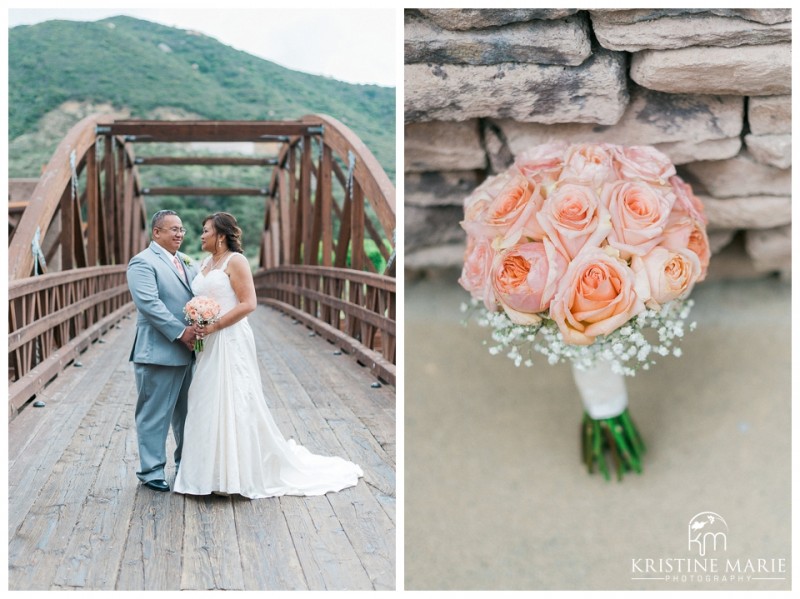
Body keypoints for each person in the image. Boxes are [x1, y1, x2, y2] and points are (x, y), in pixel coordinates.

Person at [173, 212, 363, 498]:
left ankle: (234, 477)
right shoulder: (204, 264)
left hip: (229, 337)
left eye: (206, 231)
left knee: (233, 398)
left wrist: (214, 325)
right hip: (208, 341)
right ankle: (207, 475)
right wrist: (198, 321)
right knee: (205, 398)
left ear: (220, 236)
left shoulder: (236, 261)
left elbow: (249, 303)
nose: (201, 236)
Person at [127, 210, 200, 492]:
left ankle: (186, 466)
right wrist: (182, 332)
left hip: (189, 352)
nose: (180, 234)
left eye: (182, 229)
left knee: (188, 414)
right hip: (159, 351)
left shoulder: (187, 261)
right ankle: (151, 471)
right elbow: (149, 304)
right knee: (154, 414)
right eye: (173, 229)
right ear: (156, 232)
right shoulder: (142, 262)